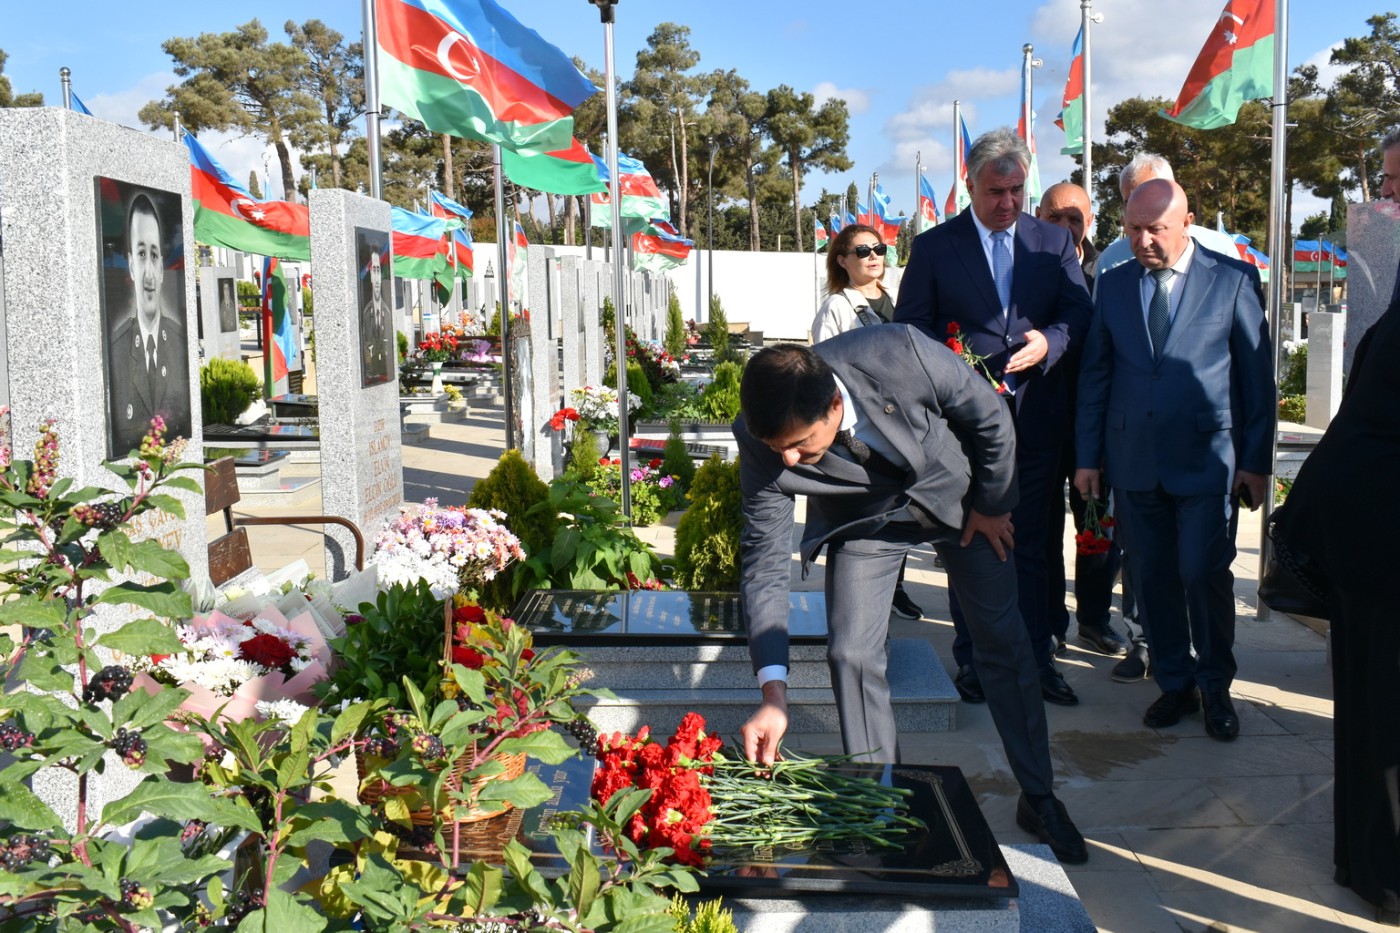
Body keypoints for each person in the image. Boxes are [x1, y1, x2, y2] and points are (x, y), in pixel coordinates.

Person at [734, 333, 1088, 864]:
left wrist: (992, 504)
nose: (787, 459)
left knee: (1002, 642)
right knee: (850, 651)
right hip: (866, 522)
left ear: (834, 404)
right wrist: (773, 694)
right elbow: (763, 566)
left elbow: (990, 417)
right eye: (775, 448)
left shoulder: (898, 352)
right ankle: (882, 803)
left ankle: (1040, 796)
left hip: (962, 503)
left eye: (801, 443)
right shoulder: (760, 439)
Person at [894, 128, 1092, 708]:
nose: (1007, 203)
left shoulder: (1051, 244)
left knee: (1032, 543)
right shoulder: (933, 248)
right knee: (972, 539)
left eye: (1017, 190)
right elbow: (912, 332)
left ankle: (1035, 660)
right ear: (970, 186)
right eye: (995, 192)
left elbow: (1080, 314)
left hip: (1036, 421)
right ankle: (975, 661)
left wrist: (1050, 342)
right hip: (963, 431)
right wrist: (952, 374)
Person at [1074, 178, 1274, 742]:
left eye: (1155, 229)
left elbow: (1255, 380)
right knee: (1152, 576)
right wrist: (1088, 456)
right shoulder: (1113, 286)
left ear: (1186, 222)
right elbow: (1096, 375)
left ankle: (1215, 687)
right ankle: (1175, 682)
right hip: (1133, 460)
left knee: (1203, 573)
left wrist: (1256, 463)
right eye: (1133, 229)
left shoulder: (1232, 279)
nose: (1142, 241)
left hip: (1208, 460)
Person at [1269, 129, 1400, 926]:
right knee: (1369, 706)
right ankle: (1368, 861)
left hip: (1384, 544)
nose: (1387, 202)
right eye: (1384, 185)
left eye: (1395, 184)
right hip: (1368, 546)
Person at [1034, 183, 1130, 660]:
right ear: (1037, 217)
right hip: (1038, 426)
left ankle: (1093, 618)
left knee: (1096, 526)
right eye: (1055, 218)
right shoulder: (1026, 270)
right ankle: (1050, 621)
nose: (1066, 227)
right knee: (1043, 527)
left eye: (1075, 218)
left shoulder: (1108, 274)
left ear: (1090, 221)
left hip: (1095, 433)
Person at [812, 222, 923, 621]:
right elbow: (822, 369)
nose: (873, 256)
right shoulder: (837, 307)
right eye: (862, 251)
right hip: (862, 430)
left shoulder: (898, 299)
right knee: (866, 512)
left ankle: (896, 587)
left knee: (901, 508)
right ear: (842, 260)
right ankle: (863, 594)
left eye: (879, 249)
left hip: (905, 423)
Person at [109, 192, 190, 455]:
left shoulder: (179, 341)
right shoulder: (116, 349)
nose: (148, 274)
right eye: (141, 254)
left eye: (154, 256)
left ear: (162, 268)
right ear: (131, 266)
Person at [1096, 152, 1242, 278]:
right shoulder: (1110, 260)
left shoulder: (1220, 248)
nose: (1140, 207)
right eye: (1131, 201)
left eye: (1150, 197)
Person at [361, 250, 391, 383]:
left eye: (379, 270)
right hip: (370, 374)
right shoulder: (366, 311)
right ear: (371, 276)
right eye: (374, 270)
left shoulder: (387, 311)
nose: (377, 274)